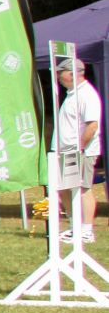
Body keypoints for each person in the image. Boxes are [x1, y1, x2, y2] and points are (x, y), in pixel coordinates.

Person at [52, 56, 99, 243]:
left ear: (71, 74)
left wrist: (80, 148)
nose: (58, 77)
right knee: (64, 188)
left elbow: (92, 125)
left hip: (81, 151)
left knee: (84, 188)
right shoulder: (72, 94)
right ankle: (74, 227)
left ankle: (87, 230)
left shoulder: (86, 94)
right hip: (66, 151)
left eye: (60, 73)